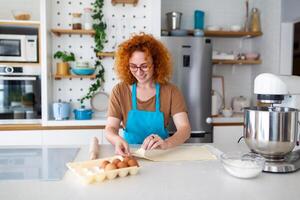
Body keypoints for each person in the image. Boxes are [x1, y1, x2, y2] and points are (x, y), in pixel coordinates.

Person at [105, 33, 191, 156]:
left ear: (155, 64)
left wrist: (167, 143)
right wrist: (117, 139)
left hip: (161, 154)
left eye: (144, 66)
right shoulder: (119, 91)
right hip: (130, 153)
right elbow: (110, 129)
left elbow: (185, 129)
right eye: (133, 66)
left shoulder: (171, 91)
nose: (139, 72)